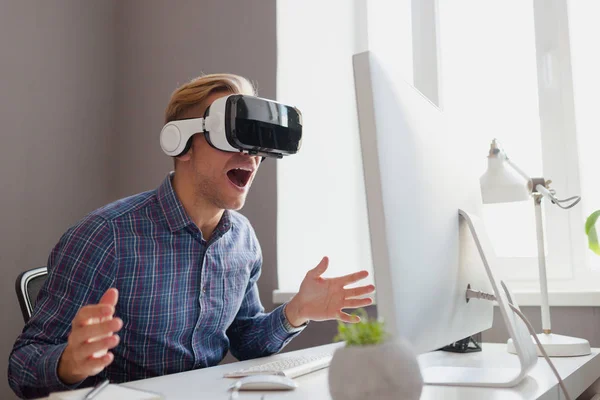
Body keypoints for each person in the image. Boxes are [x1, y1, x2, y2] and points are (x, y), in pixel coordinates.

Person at [8, 73, 375, 399]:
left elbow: (246, 341)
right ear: (181, 143)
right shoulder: (106, 237)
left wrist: (296, 312)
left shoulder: (241, 240)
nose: (250, 155)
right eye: (233, 137)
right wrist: (69, 363)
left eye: (257, 144)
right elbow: (23, 365)